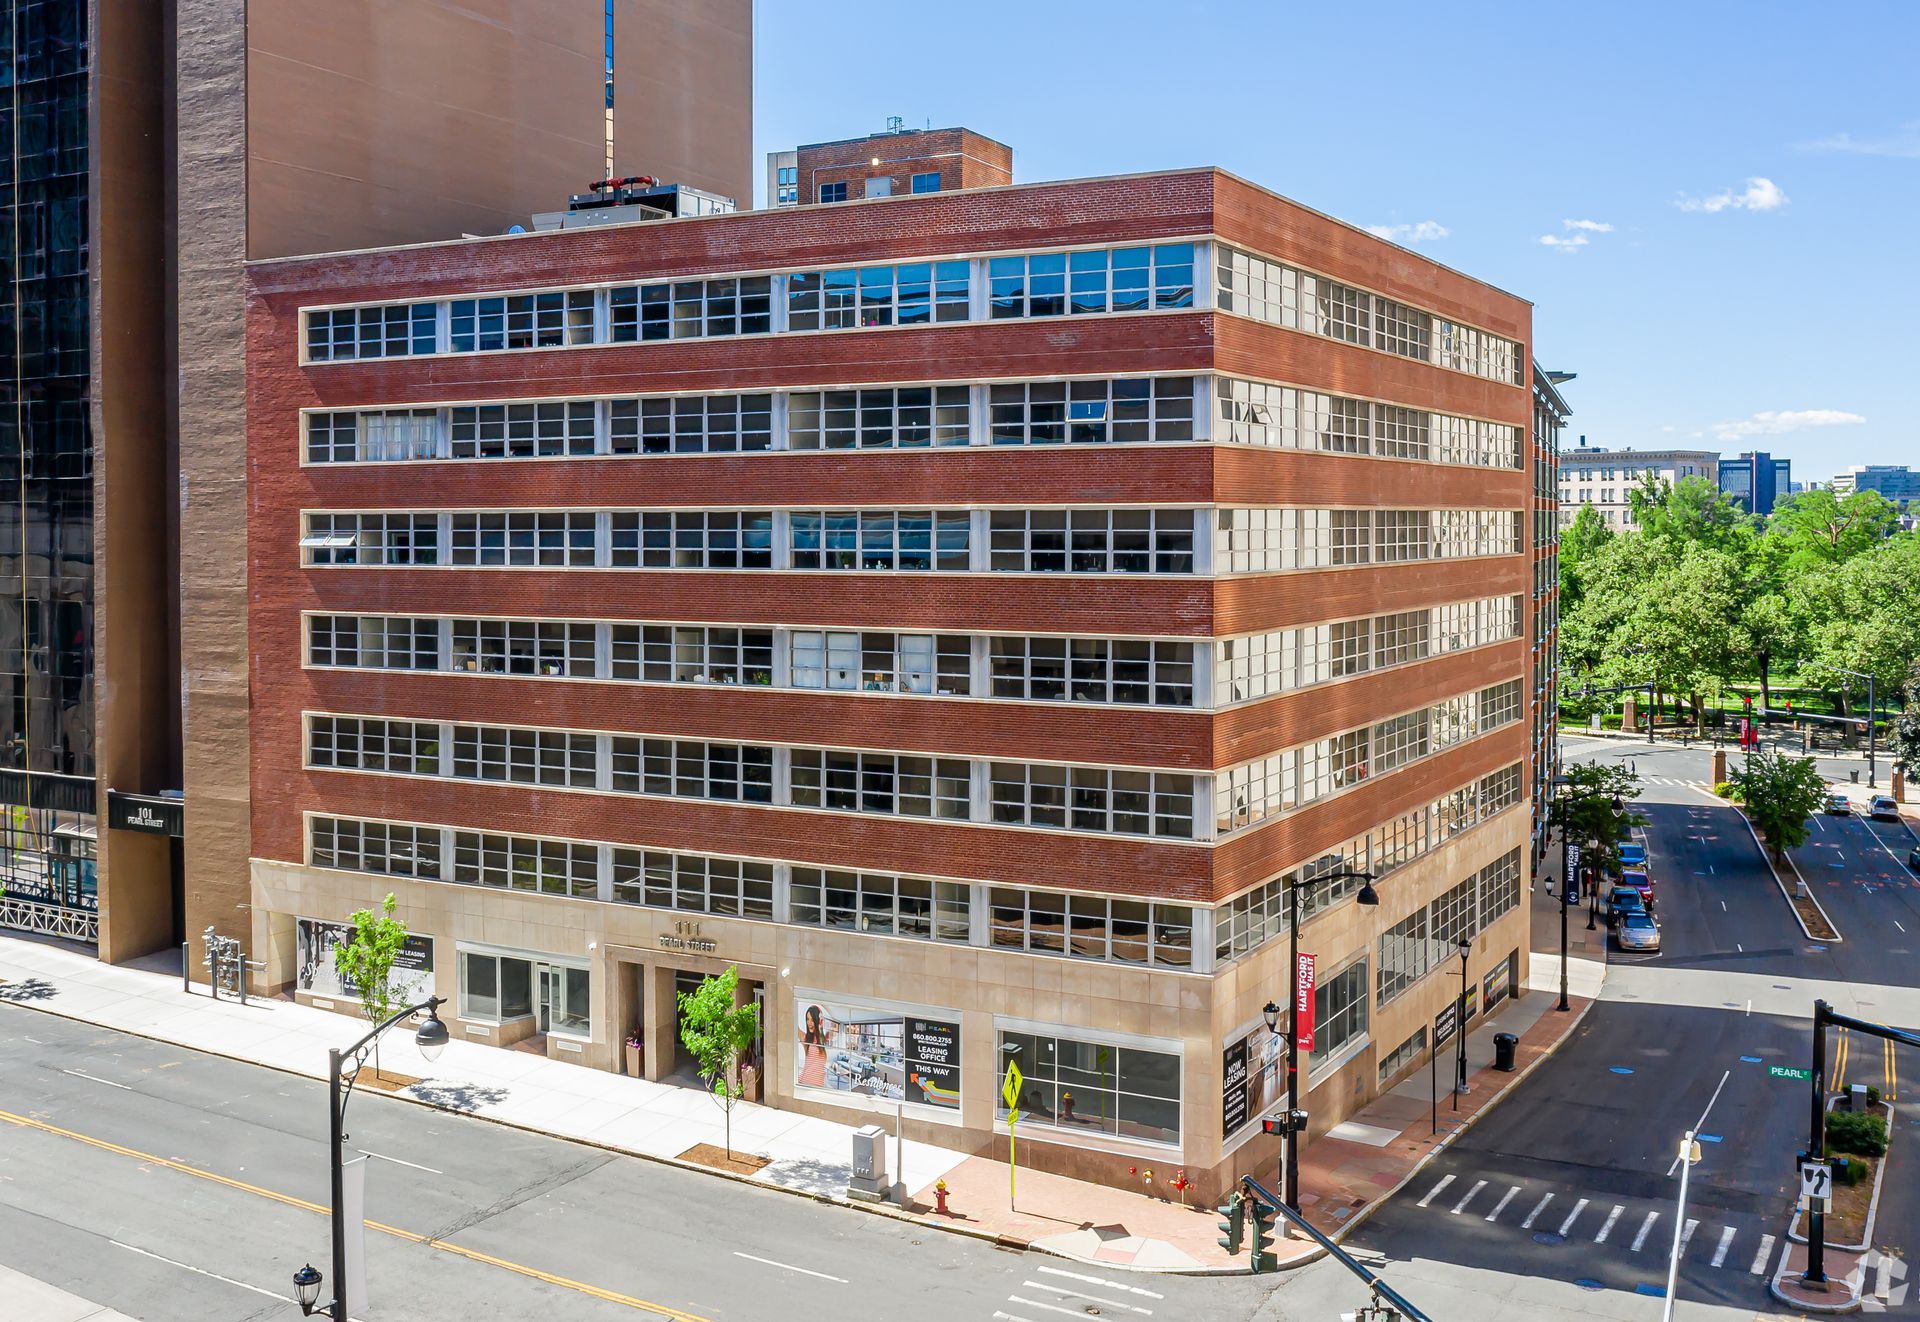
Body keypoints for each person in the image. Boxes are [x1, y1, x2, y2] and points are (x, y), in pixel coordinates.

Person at [798, 1004, 828, 1089]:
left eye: (812, 1019)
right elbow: (794, 1025)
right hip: (805, 1083)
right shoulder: (805, 1038)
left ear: (819, 1021)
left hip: (819, 1085)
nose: (809, 1023)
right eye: (807, 1019)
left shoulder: (823, 1040)